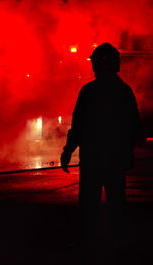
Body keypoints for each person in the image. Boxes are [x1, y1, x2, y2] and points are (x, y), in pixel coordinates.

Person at [60, 43, 140, 246]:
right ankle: (120, 245)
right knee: (117, 204)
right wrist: (126, 151)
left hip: (93, 160)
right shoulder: (124, 91)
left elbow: (78, 125)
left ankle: (89, 244)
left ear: (98, 64)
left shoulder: (89, 91)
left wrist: (68, 151)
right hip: (115, 159)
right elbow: (134, 126)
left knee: (89, 206)